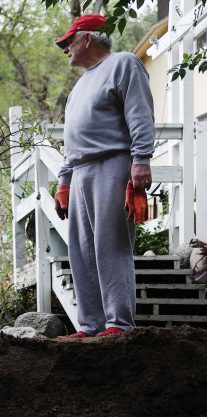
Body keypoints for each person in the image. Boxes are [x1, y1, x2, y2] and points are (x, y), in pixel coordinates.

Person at [53, 14, 155, 339]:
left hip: (114, 163)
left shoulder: (124, 64)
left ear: (87, 38)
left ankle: (118, 323)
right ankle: (91, 324)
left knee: (110, 244)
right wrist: (64, 179)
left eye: (68, 41)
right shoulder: (80, 85)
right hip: (80, 171)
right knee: (81, 251)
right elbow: (71, 139)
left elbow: (139, 113)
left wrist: (141, 160)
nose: (65, 48)